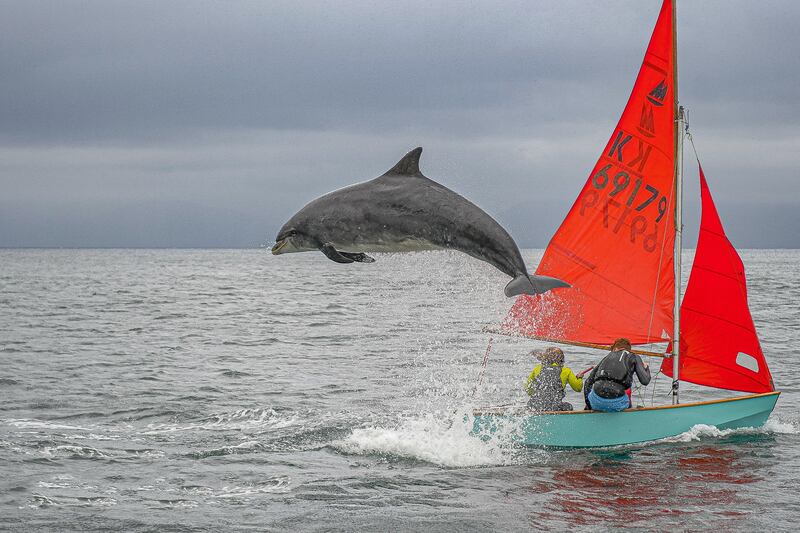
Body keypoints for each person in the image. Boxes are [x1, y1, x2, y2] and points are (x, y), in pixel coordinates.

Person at [584, 338, 651, 412]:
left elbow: (587, 383)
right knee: (627, 397)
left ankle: (589, 411)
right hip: (616, 404)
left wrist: (589, 406)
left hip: (596, 402)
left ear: (615, 349)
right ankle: (626, 417)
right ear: (629, 350)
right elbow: (645, 381)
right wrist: (646, 368)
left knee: (594, 395)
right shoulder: (634, 357)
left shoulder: (606, 358)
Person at [524, 347, 584, 411]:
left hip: (535, 405)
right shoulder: (566, 371)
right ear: (561, 358)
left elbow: (527, 387)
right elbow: (578, 388)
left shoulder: (537, 368)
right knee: (569, 406)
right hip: (555, 407)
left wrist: (538, 396)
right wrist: (579, 378)